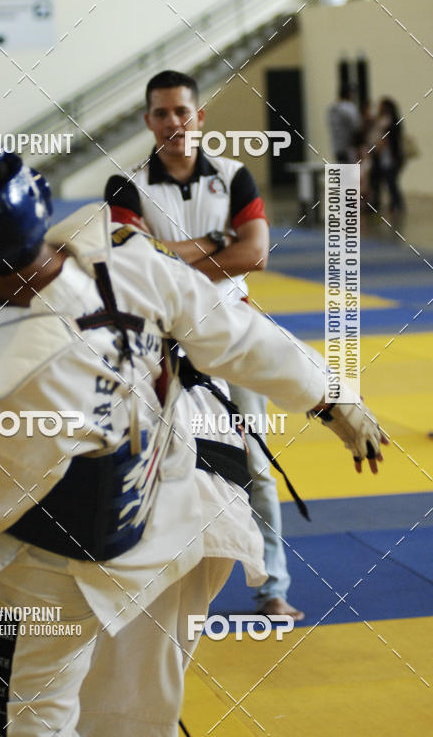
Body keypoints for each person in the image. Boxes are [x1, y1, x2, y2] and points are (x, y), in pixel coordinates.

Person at [0, 136, 386, 737]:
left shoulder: (17, 371)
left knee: (25, 721)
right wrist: (331, 397)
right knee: (132, 717)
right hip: (180, 519)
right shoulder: (123, 255)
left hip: (59, 567)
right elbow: (236, 334)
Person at [104, 69, 305, 621]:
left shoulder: (235, 177)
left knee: (256, 462)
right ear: (148, 121)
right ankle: (146, 584)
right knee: (147, 460)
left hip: (233, 333)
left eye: (182, 111)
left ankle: (272, 588)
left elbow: (256, 255)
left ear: (200, 116)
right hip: (159, 341)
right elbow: (128, 264)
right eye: (162, 113)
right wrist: (216, 243)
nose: (174, 122)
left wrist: (170, 257)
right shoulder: (126, 186)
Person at [368, 97, 405, 220]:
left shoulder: (392, 121)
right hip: (382, 156)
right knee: (383, 181)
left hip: (389, 156)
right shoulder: (382, 120)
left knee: (391, 182)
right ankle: (387, 203)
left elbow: (391, 139)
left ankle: (396, 204)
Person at [327, 83, 361, 163]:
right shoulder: (350, 108)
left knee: (341, 171)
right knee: (351, 173)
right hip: (350, 146)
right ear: (349, 93)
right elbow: (356, 127)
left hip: (337, 146)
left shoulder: (333, 108)